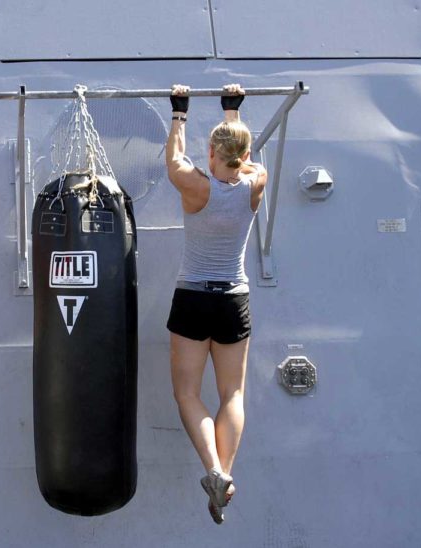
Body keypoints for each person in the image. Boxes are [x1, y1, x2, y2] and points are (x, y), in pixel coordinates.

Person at [165, 83, 267, 523]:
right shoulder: (255, 181)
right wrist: (232, 110)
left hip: (193, 297)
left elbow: (173, 158)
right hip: (234, 299)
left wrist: (179, 111)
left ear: (210, 152)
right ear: (245, 153)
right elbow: (240, 156)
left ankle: (212, 468)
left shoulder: (194, 186)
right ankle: (224, 474)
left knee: (188, 393)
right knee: (233, 393)